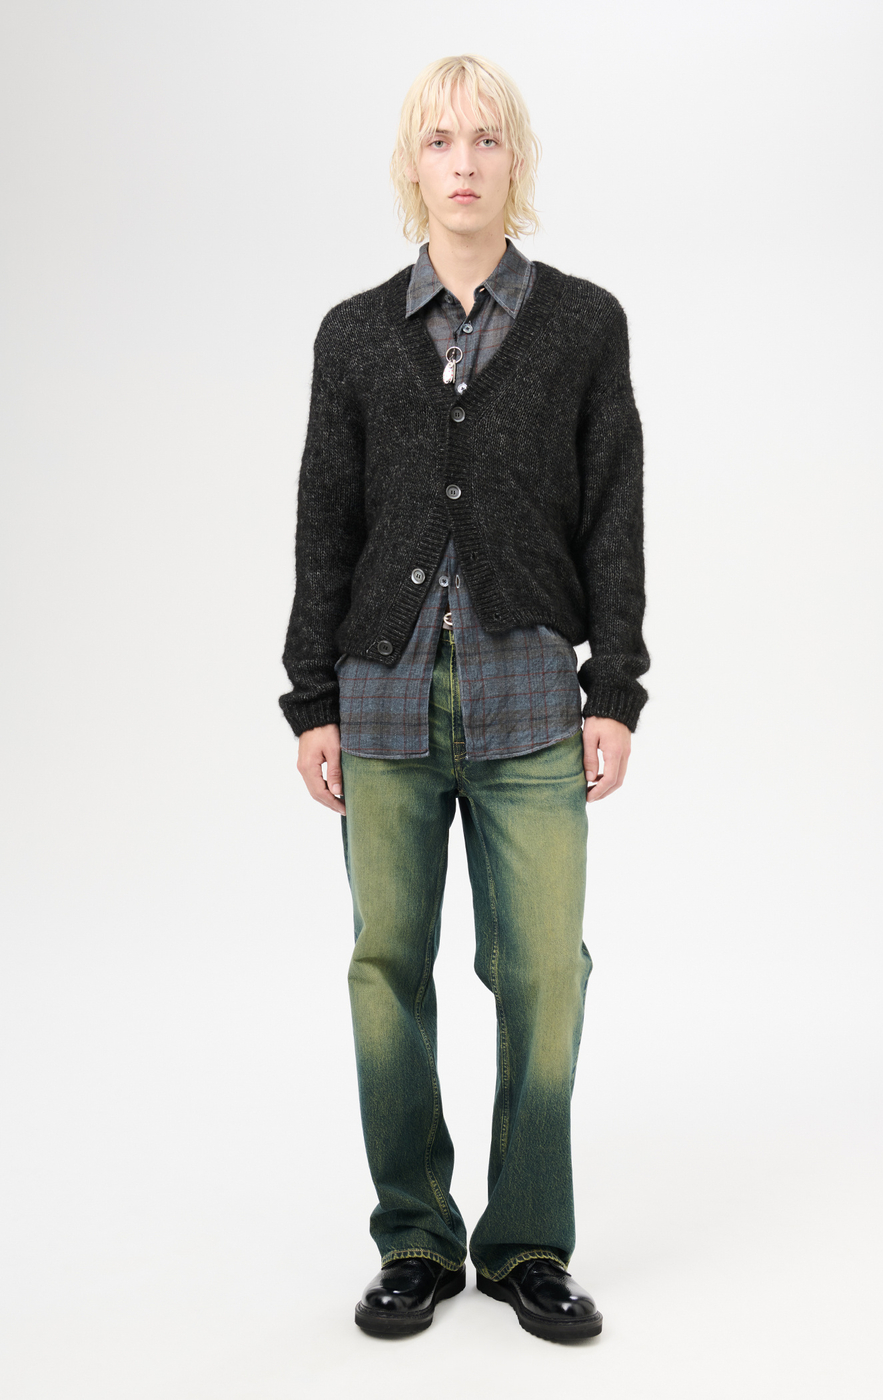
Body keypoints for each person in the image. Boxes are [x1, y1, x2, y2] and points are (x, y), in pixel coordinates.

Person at [279, 53, 649, 1343]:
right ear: (412, 166)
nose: (465, 162)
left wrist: (617, 686)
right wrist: (312, 699)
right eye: (441, 141)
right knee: (387, 967)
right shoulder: (353, 336)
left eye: (487, 139)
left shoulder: (584, 325)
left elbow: (614, 512)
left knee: (544, 968)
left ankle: (528, 1239)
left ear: (516, 161)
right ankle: (416, 1239)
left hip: (532, 695)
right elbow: (325, 522)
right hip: (382, 702)